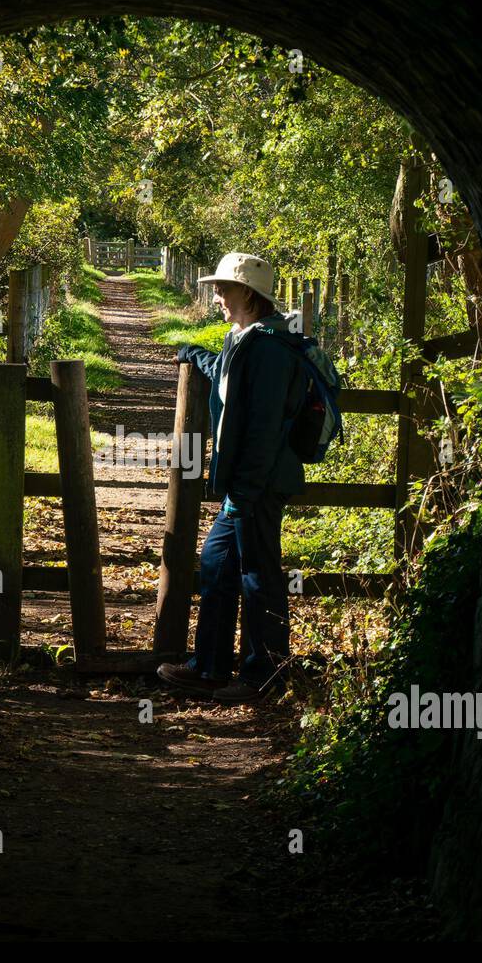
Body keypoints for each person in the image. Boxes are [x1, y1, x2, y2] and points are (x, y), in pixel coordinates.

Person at [156, 252, 308, 704]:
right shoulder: (242, 340)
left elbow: (262, 426)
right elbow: (227, 379)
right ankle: (210, 668)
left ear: (250, 293)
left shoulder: (270, 349)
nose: (216, 293)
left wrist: (244, 490)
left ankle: (263, 678)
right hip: (243, 486)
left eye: (224, 286)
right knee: (218, 565)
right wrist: (197, 355)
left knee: (258, 575)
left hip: (257, 486)